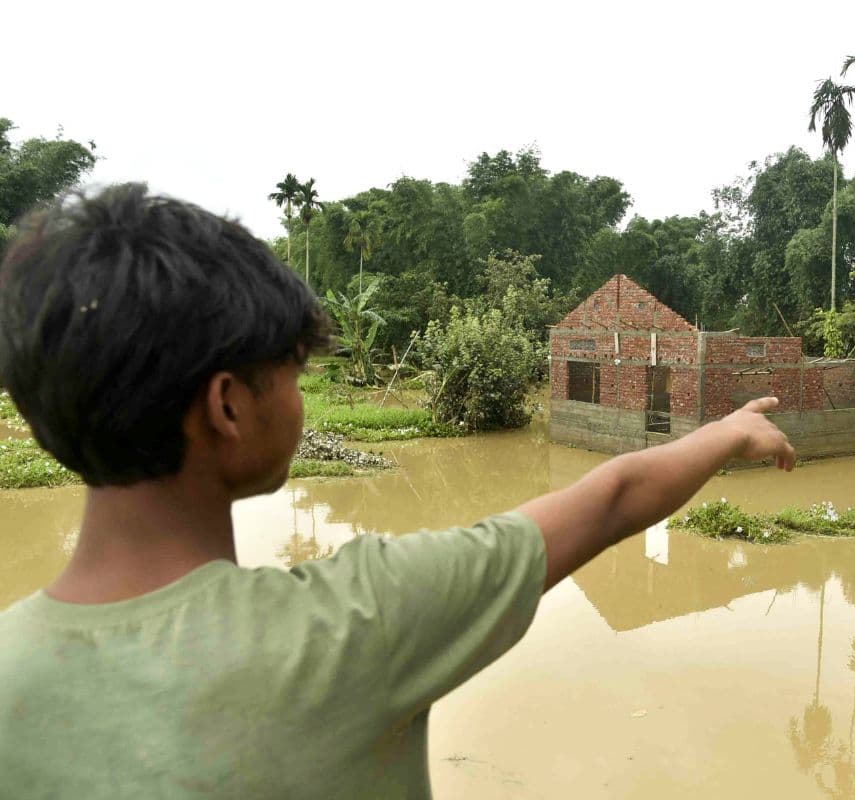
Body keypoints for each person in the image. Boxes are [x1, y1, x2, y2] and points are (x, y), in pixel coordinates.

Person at [0, 184, 795, 798]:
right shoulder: (357, 624)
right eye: (294, 372)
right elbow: (614, 499)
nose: (301, 395)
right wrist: (728, 431)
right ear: (229, 407)